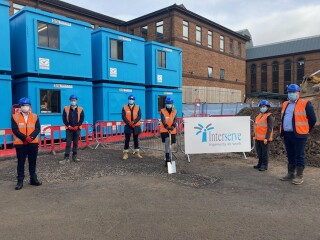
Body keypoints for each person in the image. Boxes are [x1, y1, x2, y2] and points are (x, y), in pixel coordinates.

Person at [280, 84, 316, 185]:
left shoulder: (305, 103)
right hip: (287, 134)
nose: (291, 94)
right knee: (290, 154)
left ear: (298, 93)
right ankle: (290, 173)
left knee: (299, 155)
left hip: (300, 135)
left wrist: (306, 129)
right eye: (289, 92)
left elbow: (313, 119)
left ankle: (299, 176)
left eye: (293, 92)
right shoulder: (285, 104)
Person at [11, 97, 42, 190]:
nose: (25, 107)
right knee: (21, 163)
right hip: (21, 144)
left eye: (27, 105)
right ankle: (20, 181)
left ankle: (33, 179)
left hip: (33, 144)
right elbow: (15, 129)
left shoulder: (35, 116)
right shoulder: (15, 116)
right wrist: (25, 138)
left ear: (30, 106)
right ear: (20, 106)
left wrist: (31, 137)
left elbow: (37, 128)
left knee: (33, 162)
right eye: (23, 105)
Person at [59, 94, 84, 164]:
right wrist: (69, 126)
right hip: (69, 129)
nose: (73, 101)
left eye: (74, 100)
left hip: (77, 129)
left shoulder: (80, 109)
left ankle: (74, 156)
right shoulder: (66, 108)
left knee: (75, 143)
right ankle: (66, 158)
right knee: (68, 143)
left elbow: (82, 118)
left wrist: (78, 126)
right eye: (72, 100)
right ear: (70, 100)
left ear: (76, 100)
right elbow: (64, 119)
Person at [253, 100, 274, 171]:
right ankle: (260, 164)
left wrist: (266, 138)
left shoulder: (269, 116)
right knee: (259, 152)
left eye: (264, 106)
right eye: (261, 106)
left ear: (267, 107)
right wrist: (254, 136)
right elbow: (256, 126)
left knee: (264, 153)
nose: (262, 108)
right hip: (257, 138)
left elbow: (269, 128)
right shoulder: (258, 116)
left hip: (264, 139)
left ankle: (264, 165)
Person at [122, 95, 142, 160]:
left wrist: (134, 122)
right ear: (128, 99)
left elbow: (139, 116)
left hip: (136, 126)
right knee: (127, 139)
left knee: (136, 139)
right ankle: (125, 153)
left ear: (134, 100)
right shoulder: (124, 107)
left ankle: (137, 152)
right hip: (128, 125)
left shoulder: (138, 107)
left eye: (132, 99)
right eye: (130, 99)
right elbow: (123, 116)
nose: (131, 100)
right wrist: (129, 122)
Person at [159, 97, 178, 167]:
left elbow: (175, 120)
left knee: (170, 145)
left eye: (170, 104)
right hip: (165, 131)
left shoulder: (175, 111)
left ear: (172, 104)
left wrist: (172, 127)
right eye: (167, 103)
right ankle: (167, 159)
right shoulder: (162, 111)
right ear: (165, 104)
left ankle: (169, 157)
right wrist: (167, 127)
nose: (168, 105)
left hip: (172, 131)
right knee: (167, 144)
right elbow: (163, 120)